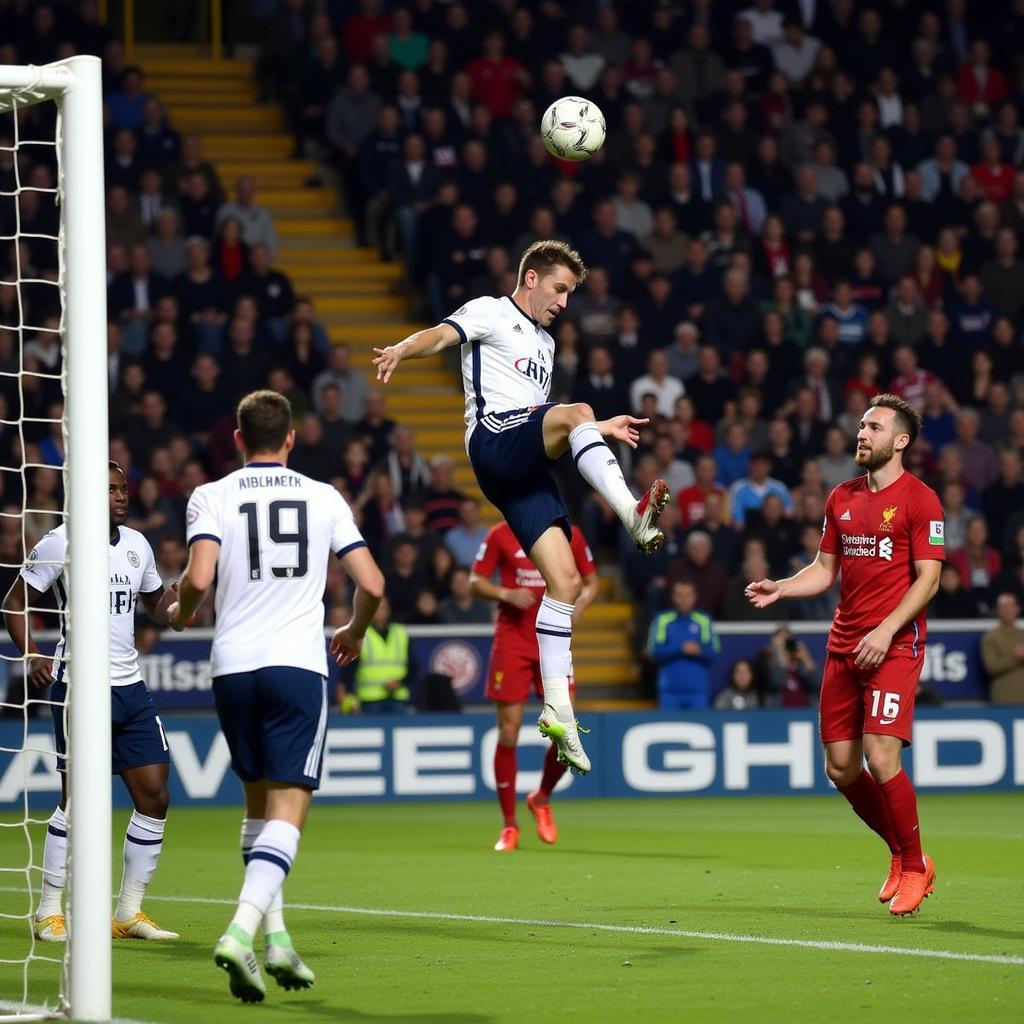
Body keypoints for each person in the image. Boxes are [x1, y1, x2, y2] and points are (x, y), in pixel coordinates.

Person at [372, 240, 669, 775]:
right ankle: (631, 513)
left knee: (566, 582)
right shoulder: (491, 311)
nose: (563, 303)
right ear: (531, 277)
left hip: (523, 467)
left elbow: (544, 418)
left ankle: (557, 707)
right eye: (559, 289)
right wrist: (400, 348)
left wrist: (595, 428)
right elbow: (440, 335)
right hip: (491, 441)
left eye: (570, 295)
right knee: (573, 408)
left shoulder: (546, 345)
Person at [168, 390, 385, 1002]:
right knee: (289, 811)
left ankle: (277, 939)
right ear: (291, 438)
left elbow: (199, 579)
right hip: (295, 665)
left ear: (238, 439)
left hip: (232, 667)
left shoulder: (210, 495)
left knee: (257, 807)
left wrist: (180, 611)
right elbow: (371, 581)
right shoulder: (323, 497)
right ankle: (240, 931)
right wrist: (356, 630)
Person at [745, 393, 944, 916]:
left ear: (900, 441)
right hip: (844, 648)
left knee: (881, 757)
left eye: (874, 427)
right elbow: (823, 569)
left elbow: (930, 580)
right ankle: (902, 853)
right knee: (840, 769)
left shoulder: (922, 500)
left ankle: (918, 866)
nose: (862, 433)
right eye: (861, 425)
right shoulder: (842, 497)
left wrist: (886, 630)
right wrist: (781, 588)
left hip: (894, 645)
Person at [2, 462, 179, 943]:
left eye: (123, 488)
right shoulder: (61, 542)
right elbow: (14, 601)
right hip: (79, 685)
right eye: (110, 489)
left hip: (130, 688)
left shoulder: (138, 544)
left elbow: (155, 605)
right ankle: (48, 913)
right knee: (77, 799)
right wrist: (32, 652)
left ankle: (127, 912)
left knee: (155, 796)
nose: (121, 496)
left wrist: (178, 606)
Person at [470, 519, 597, 853]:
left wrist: (575, 613)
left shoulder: (570, 532)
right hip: (512, 642)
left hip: (552, 646)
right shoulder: (499, 533)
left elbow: (591, 583)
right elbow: (474, 581)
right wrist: (505, 593)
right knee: (508, 733)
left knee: (564, 729)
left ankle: (541, 798)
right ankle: (509, 826)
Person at [647, 580, 720, 709]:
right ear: (673, 597)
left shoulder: (703, 620)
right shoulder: (662, 619)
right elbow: (654, 651)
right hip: (670, 690)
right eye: (679, 595)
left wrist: (698, 652)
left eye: (687, 595)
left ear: (695, 597)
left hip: (697, 690)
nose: (683, 599)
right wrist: (680, 649)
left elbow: (713, 651)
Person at [346, 596, 413, 713]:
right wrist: (350, 697)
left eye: (384, 608)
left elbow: (414, 667)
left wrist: (400, 682)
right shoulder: (360, 635)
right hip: (370, 699)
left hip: (397, 697)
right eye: (377, 608)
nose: (381, 611)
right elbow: (349, 671)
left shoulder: (400, 633)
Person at [980, 592, 1024, 705]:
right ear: (997, 610)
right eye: (1004, 607)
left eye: (1011, 606)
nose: (1008, 610)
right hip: (1004, 699)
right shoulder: (991, 637)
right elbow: (991, 667)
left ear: (1017, 609)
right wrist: (1015, 657)